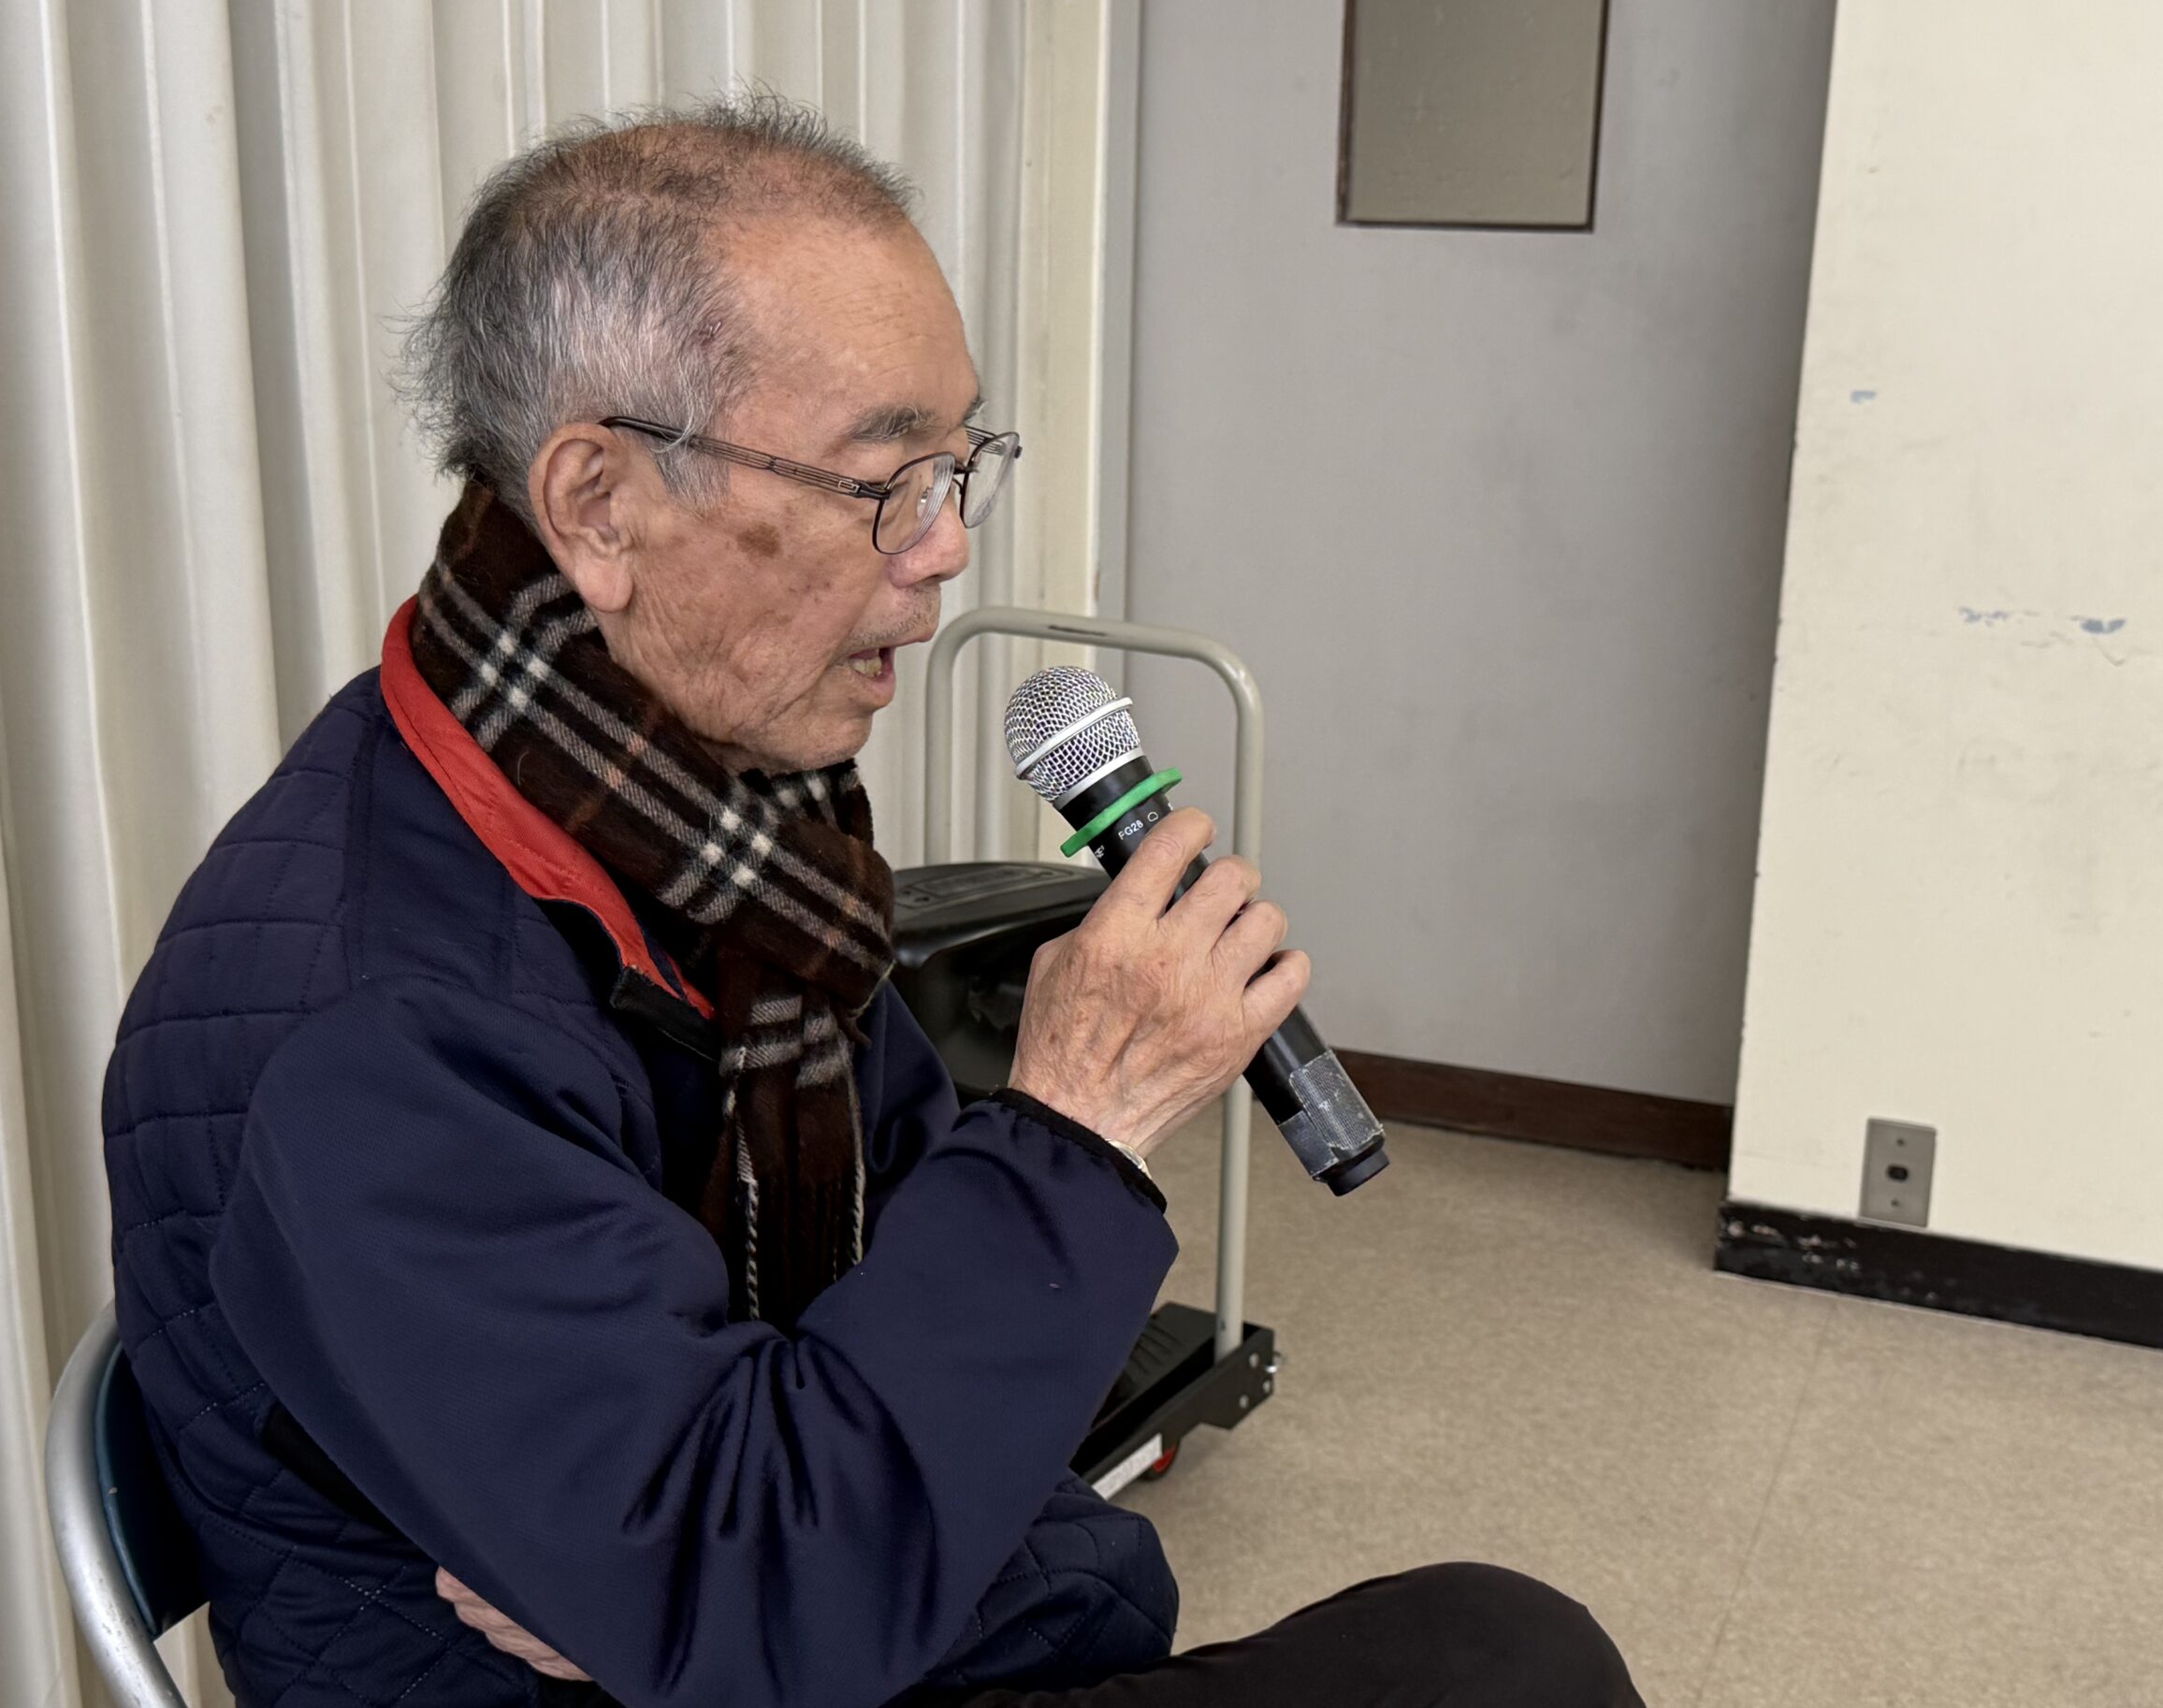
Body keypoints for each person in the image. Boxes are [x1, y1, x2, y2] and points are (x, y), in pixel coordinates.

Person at [104, 94, 1642, 1708]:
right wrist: (1081, 1124)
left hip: (834, 1620)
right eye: (884, 479)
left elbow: (880, 1347)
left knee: (1496, 1646)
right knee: (1509, 1667)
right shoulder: (376, 1032)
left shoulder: (705, 815)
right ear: (601, 505)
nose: (946, 546)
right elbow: (762, 1594)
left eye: (961, 464)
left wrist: (768, 1504)